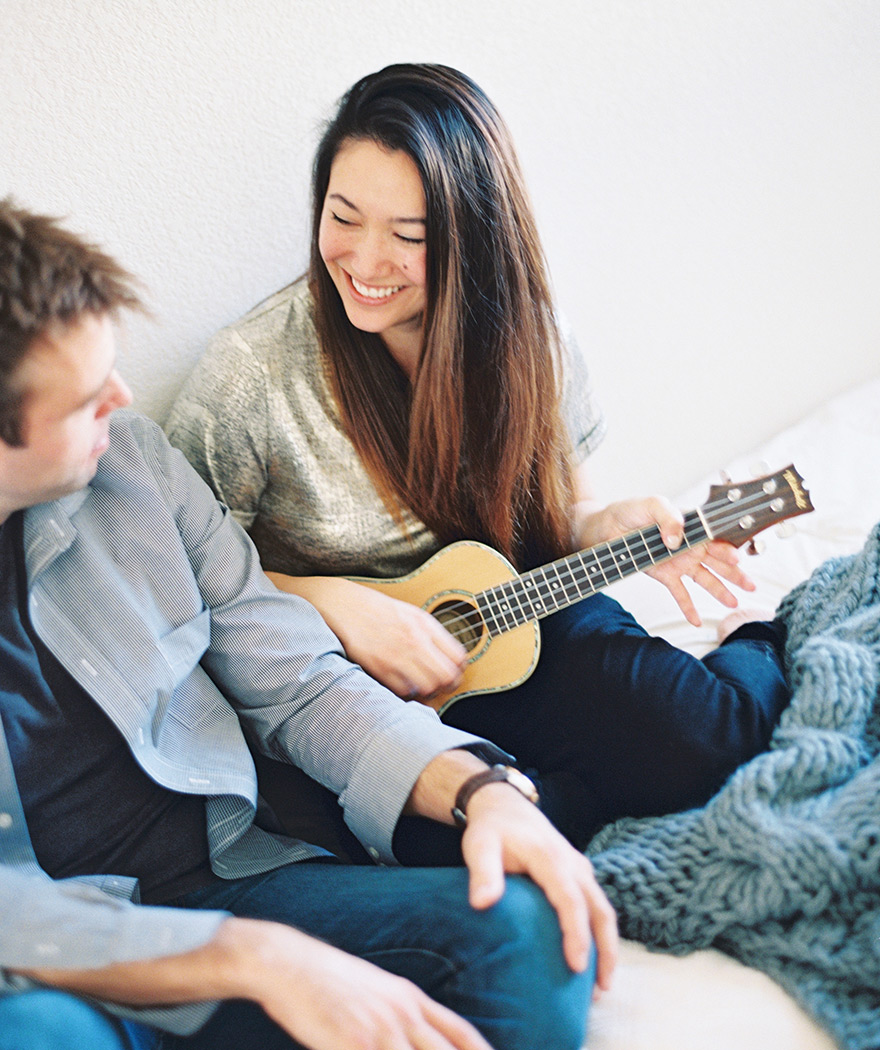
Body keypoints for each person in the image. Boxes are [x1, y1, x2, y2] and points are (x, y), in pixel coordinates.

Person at [0, 198, 619, 1050]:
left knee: (522, 920)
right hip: (54, 971)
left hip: (228, 880)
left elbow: (295, 681)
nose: (124, 396)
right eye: (82, 400)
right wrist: (255, 959)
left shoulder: (135, 465)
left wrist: (481, 791)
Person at [165, 63, 791, 854]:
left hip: (518, 620)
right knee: (431, 850)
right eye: (343, 217)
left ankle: (759, 644)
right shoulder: (251, 374)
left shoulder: (534, 344)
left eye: (409, 237)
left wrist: (613, 523)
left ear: (472, 235)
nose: (364, 260)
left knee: (716, 746)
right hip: (362, 692)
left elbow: (562, 522)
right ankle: (559, 796)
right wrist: (328, 603)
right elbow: (180, 579)